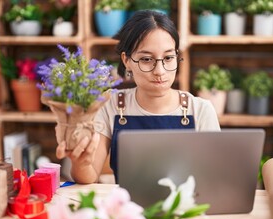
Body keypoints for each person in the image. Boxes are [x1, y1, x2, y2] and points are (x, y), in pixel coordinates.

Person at [56, 10, 220, 184]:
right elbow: (89, 176)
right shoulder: (110, 105)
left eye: (169, 58)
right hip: (129, 209)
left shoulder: (201, 110)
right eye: (147, 59)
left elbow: (216, 177)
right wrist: (81, 163)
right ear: (127, 61)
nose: (160, 71)